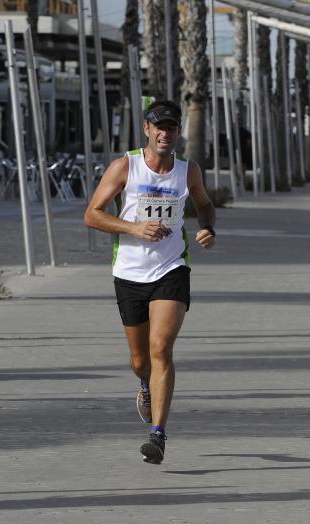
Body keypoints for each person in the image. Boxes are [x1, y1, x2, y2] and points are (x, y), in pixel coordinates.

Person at [83, 100, 216, 465]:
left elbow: (204, 204)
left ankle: (157, 434)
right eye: (159, 126)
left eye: (171, 127)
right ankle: (145, 385)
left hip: (172, 268)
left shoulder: (188, 171)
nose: (165, 133)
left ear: (177, 133)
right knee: (140, 359)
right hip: (129, 273)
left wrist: (207, 228)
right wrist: (133, 227)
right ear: (146, 129)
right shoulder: (126, 166)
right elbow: (92, 215)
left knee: (161, 348)